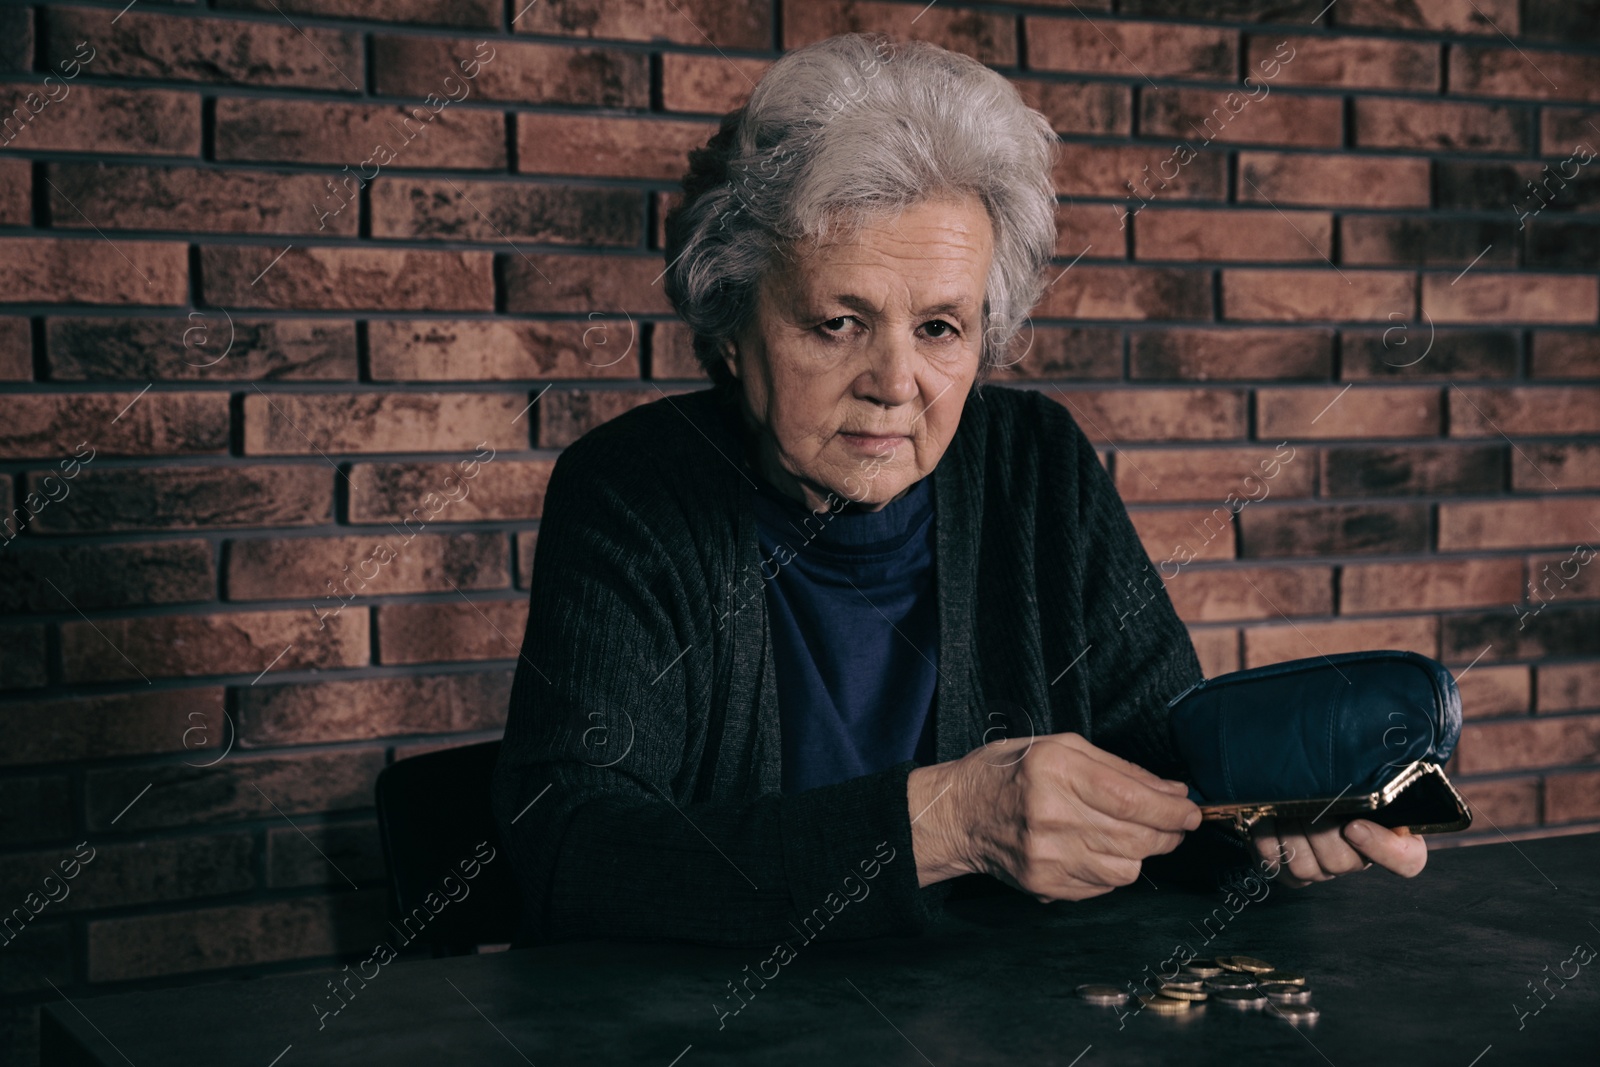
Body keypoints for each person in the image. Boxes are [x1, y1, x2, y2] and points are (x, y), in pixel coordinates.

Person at [490, 31, 1426, 948]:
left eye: (941, 327)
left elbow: (1161, 776)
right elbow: (570, 852)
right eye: (838, 320)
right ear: (733, 325)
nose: (896, 382)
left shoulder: (1036, 465)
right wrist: (945, 819)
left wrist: (1265, 829)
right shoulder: (630, 492)